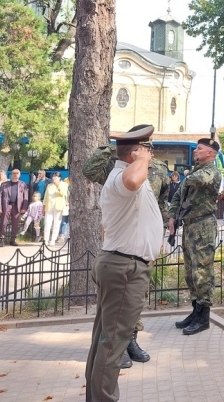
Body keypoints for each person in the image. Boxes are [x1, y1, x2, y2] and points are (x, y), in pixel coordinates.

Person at [85, 124, 163, 402]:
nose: (151, 156)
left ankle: (96, 397)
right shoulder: (122, 178)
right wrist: (141, 159)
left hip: (122, 265)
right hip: (125, 268)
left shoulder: (126, 177)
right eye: (147, 150)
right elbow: (132, 181)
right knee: (113, 343)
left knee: (105, 339)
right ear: (134, 154)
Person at [168, 138, 222, 336]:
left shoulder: (211, 171)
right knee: (191, 272)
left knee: (202, 272)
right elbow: (177, 196)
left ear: (210, 153)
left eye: (200, 149)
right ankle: (195, 311)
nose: (196, 151)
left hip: (203, 226)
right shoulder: (195, 171)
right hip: (189, 226)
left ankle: (204, 317)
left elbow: (202, 180)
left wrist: (187, 174)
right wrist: (172, 216)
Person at [0, 168, 29, 247]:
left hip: (17, 206)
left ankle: (13, 239)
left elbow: (26, 197)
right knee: (3, 222)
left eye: (17, 173)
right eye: (14, 173)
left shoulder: (23, 184)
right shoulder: (4, 184)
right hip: (6, 206)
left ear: (19, 174)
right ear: (11, 174)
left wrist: (24, 207)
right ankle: (2, 239)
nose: (15, 174)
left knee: (15, 223)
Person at [43, 173, 68, 246]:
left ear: (59, 178)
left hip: (58, 206)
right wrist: (43, 206)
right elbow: (46, 196)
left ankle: (53, 239)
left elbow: (63, 194)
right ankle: (46, 239)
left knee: (56, 223)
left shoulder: (64, 185)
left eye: (56, 177)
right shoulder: (49, 185)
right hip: (49, 206)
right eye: (53, 176)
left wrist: (58, 186)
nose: (54, 178)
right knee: (47, 223)